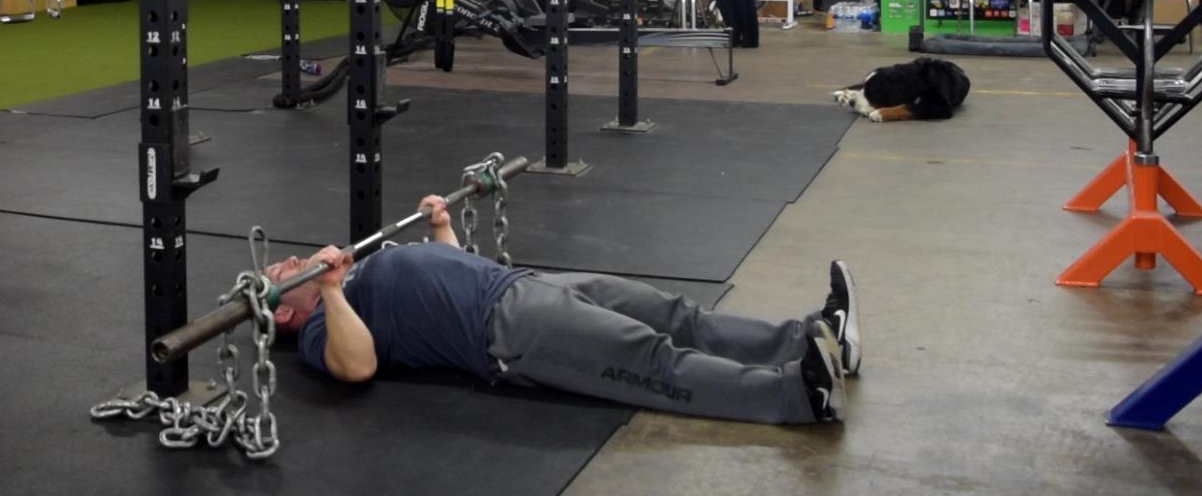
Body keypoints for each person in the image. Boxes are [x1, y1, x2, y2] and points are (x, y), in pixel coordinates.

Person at [266, 195, 859, 424]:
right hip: (509, 330)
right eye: (284, 273)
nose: (294, 262)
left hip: (521, 283)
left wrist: (443, 229)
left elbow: (450, 274)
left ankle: (812, 336)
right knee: (653, 360)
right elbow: (359, 366)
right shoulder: (321, 330)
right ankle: (795, 394)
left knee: (676, 314)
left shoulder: (352, 280)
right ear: (284, 314)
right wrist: (335, 290)